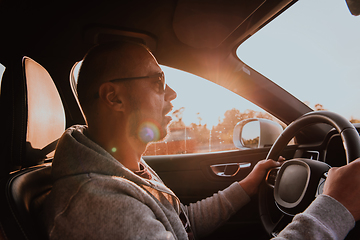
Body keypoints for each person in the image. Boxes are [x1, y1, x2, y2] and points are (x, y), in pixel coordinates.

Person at [41, 41, 360, 240]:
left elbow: (183, 224)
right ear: (114, 97)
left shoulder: (123, 171)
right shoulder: (101, 207)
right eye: (158, 81)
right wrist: (334, 209)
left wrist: (248, 185)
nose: (172, 93)